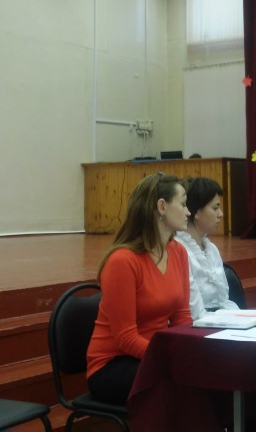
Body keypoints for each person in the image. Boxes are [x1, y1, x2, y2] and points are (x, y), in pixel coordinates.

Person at [86, 173, 193, 405]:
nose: (188, 212)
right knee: (180, 382)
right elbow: (125, 338)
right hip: (112, 365)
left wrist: (186, 351)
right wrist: (170, 358)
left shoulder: (178, 252)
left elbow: (181, 316)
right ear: (161, 207)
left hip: (152, 354)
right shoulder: (122, 261)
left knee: (205, 373)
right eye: (183, 204)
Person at [175, 177, 240, 320]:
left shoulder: (212, 249)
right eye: (215, 208)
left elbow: (224, 300)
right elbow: (194, 312)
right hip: (199, 324)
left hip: (219, 319)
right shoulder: (179, 249)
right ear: (196, 211)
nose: (221, 214)